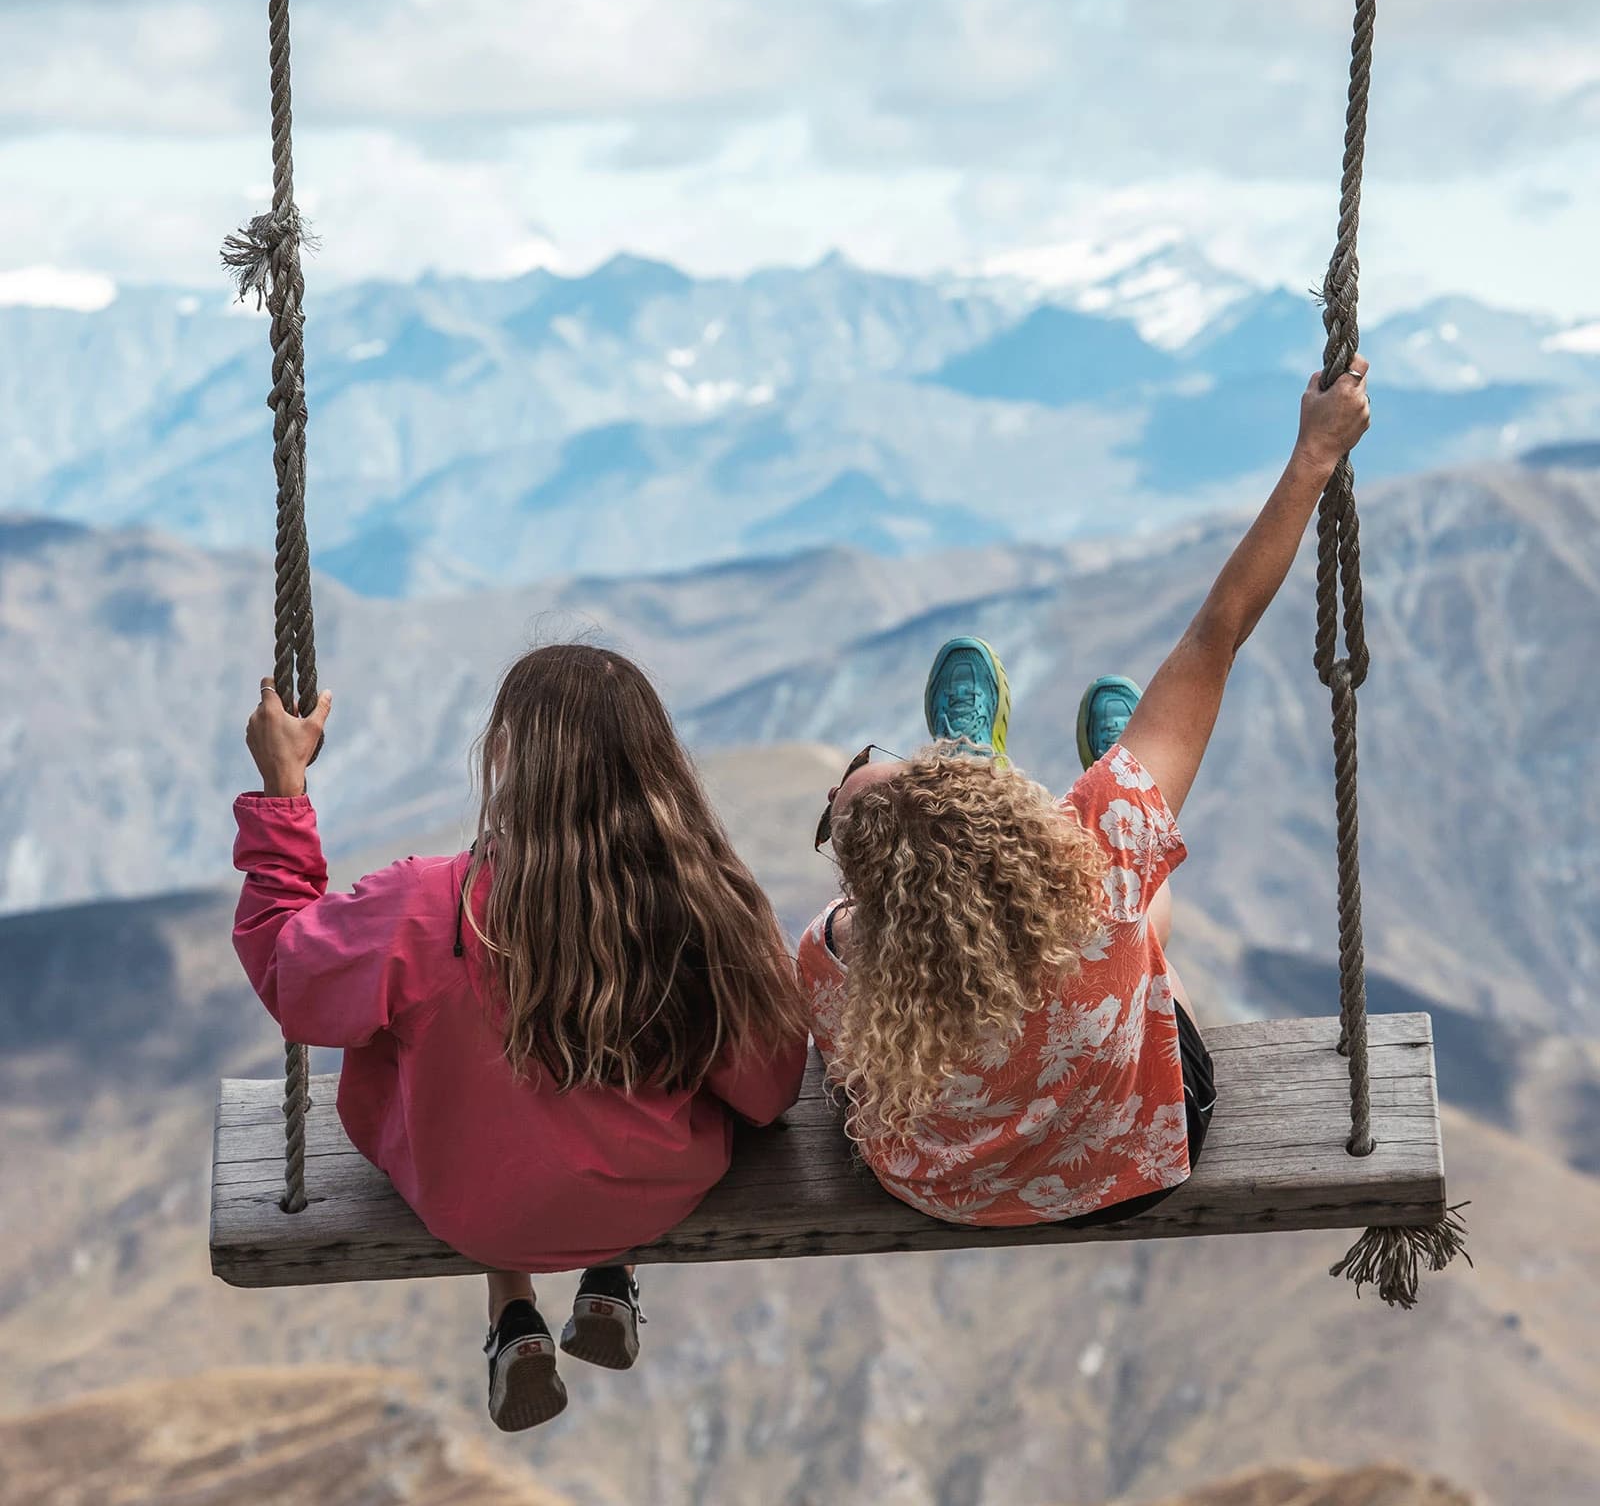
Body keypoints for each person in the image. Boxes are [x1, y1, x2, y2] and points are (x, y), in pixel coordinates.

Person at [798, 357, 1372, 1228]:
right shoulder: (1095, 856)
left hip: (947, 1193)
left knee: (1104, 915)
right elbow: (1217, 635)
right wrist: (1314, 455)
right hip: (1134, 1156)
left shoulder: (834, 953)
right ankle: (1069, 780)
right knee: (1127, 923)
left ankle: (995, 761)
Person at [233, 644, 808, 1432]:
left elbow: (289, 969)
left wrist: (284, 790)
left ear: (504, 754)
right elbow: (769, 1091)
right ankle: (612, 1272)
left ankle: (513, 1311)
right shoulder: (709, 903)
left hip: (475, 1205)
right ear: (657, 761)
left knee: (458, 1073)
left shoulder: (432, 904)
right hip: (653, 1195)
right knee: (621, 1099)